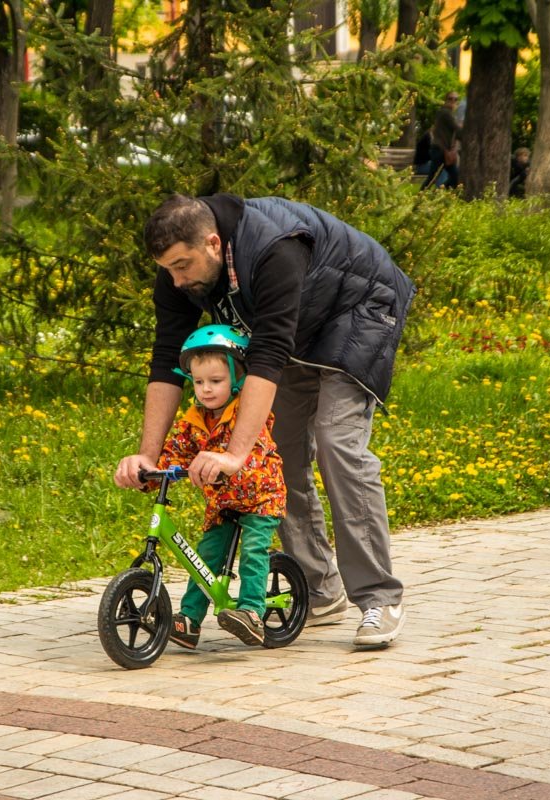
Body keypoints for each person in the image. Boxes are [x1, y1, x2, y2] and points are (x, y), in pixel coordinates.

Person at [114, 193, 416, 649]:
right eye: (168, 270)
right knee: (279, 455)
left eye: (181, 266)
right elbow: (167, 359)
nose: (176, 281)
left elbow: (268, 354)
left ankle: (379, 597)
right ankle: (319, 589)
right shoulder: (181, 267)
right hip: (299, 325)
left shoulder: (275, 247)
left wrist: (235, 454)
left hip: (359, 307)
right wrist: (148, 455)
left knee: (336, 442)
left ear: (212, 243)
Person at [147, 324, 286, 649]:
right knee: (206, 555)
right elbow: (175, 451)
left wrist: (227, 463)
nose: (206, 390)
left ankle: (252, 612)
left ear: (237, 378)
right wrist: (151, 471)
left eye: (215, 381)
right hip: (223, 503)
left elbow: (254, 454)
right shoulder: (195, 420)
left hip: (261, 498)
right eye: (198, 382)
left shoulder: (248, 414)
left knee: (253, 550)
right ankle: (189, 620)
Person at [415, 91, 462, 190]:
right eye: (450, 99)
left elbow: (455, 132)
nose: (453, 101)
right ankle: (422, 195)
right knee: (433, 177)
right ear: (445, 100)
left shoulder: (448, 114)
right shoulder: (445, 113)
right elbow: (456, 129)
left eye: (455, 99)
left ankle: (438, 191)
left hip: (445, 151)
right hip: (439, 150)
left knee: (455, 177)